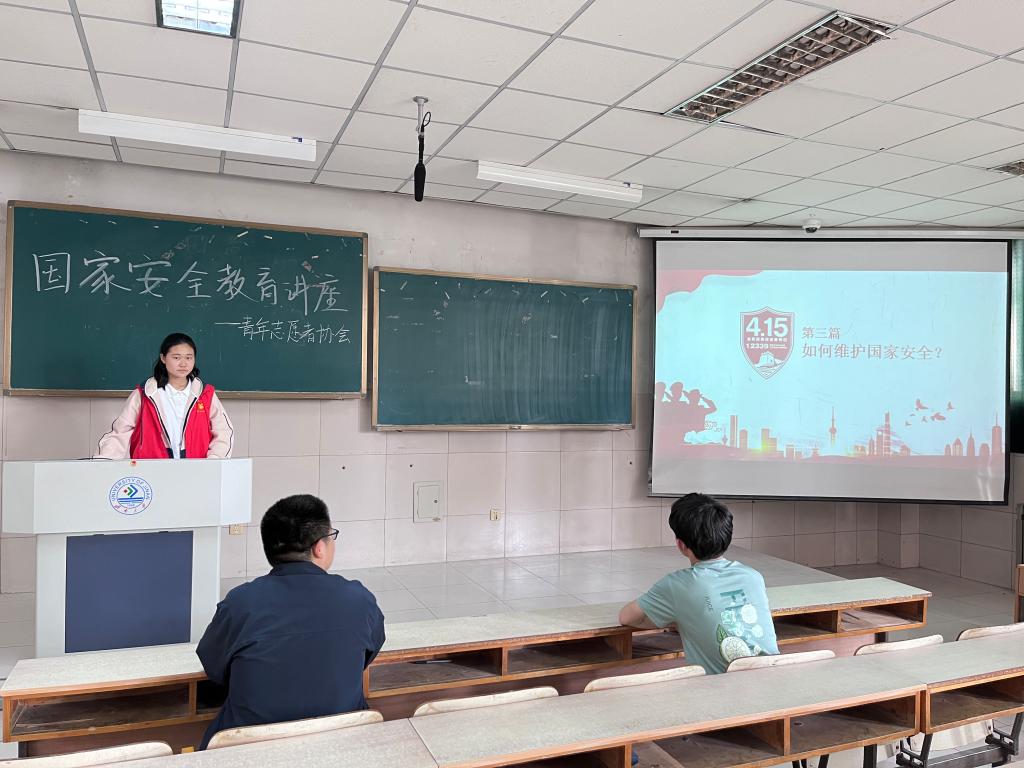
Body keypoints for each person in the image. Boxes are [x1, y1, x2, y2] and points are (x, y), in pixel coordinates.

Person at [197, 494, 385, 749]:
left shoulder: (240, 603)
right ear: (319, 547)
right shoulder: (358, 599)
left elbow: (214, 667)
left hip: (248, 749)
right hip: (342, 744)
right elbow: (367, 654)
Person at [618, 493, 778, 674]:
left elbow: (626, 617)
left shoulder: (677, 585)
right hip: (774, 680)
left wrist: (680, 619)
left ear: (681, 545)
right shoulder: (753, 577)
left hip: (723, 689)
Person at [95, 332, 233, 459]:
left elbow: (224, 432)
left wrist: (213, 461)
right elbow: (120, 432)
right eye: (176, 357)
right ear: (163, 358)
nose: (183, 363)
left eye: (189, 357)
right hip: (151, 469)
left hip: (195, 469)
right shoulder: (144, 394)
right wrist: (104, 461)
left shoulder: (205, 394)